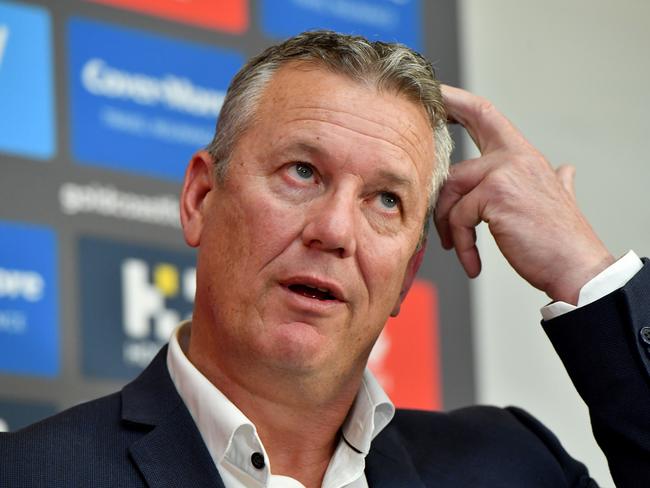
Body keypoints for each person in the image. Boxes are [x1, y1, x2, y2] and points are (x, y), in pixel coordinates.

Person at [1, 30, 649, 488]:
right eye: (303, 171)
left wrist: (588, 274)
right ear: (201, 197)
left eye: (385, 200)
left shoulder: (512, 466)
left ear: (407, 277)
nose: (336, 229)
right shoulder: (30, 475)